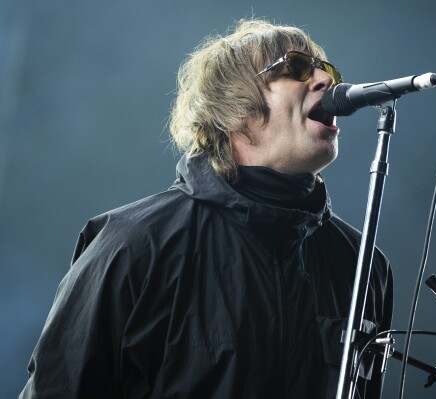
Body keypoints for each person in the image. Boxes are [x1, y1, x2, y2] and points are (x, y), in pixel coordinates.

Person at [20, 19, 393, 399]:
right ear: (232, 109)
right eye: (295, 67)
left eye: (327, 69)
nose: (325, 79)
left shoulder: (363, 265)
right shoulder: (132, 244)